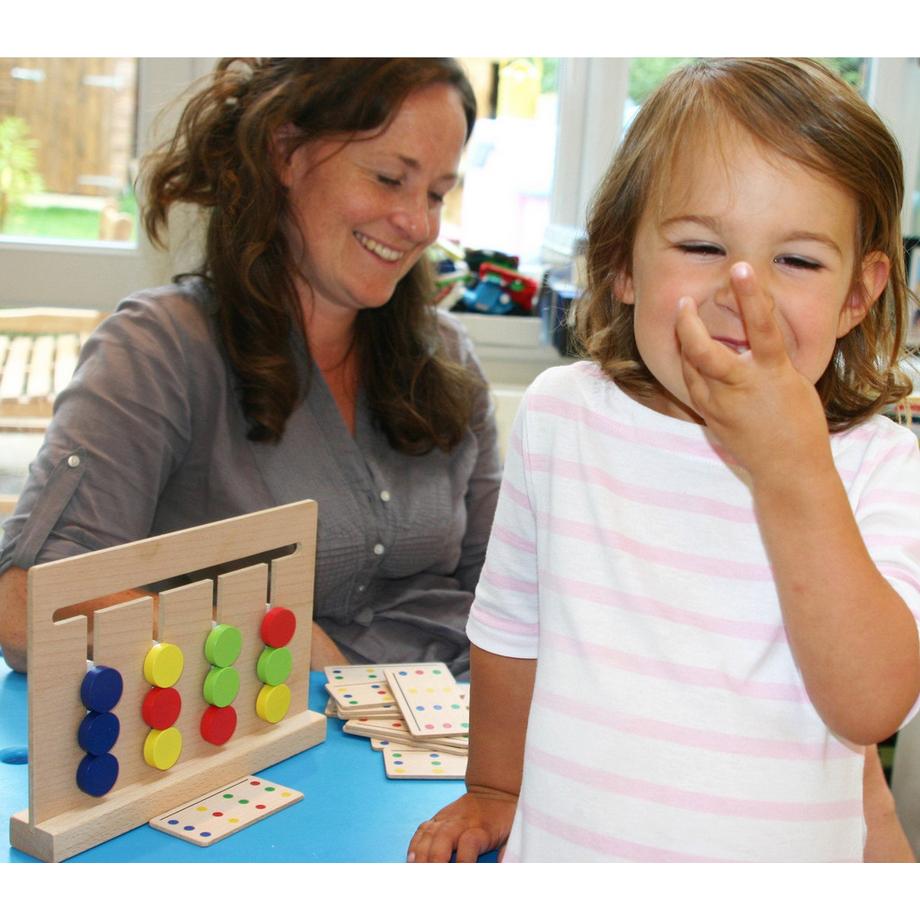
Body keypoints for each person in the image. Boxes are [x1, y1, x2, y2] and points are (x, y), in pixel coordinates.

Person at [408, 58, 920, 862]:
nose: (740, 290)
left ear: (857, 296)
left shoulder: (876, 463)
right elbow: (510, 628)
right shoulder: (563, 416)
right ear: (621, 264)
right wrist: (495, 788)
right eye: (701, 244)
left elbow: (872, 708)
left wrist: (794, 470)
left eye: (798, 261)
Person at [0, 58, 501, 680]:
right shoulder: (162, 350)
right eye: (388, 178)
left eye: (435, 193)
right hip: (260, 743)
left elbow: (508, 600)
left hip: (449, 733)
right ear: (286, 154)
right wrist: (270, 646)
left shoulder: (448, 360)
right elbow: (30, 605)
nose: (420, 224)